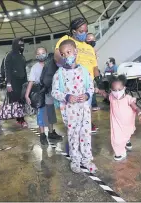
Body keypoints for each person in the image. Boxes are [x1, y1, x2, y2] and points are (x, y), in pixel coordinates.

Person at [52, 39, 96, 174]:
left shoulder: (84, 71)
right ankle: (75, 160)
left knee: (85, 134)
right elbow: (55, 92)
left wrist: (88, 95)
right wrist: (66, 97)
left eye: (68, 52)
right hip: (70, 111)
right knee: (73, 135)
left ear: (75, 52)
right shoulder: (59, 74)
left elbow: (91, 87)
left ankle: (87, 159)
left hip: (84, 109)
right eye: (63, 54)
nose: (66, 56)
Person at [54, 17, 103, 133]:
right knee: (72, 111)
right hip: (72, 82)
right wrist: (68, 67)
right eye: (81, 31)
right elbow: (57, 56)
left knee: (86, 108)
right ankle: (74, 132)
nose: (84, 34)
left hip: (87, 83)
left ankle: (86, 127)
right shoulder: (66, 39)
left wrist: (98, 81)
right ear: (74, 31)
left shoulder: (89, 47)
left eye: (86, 31)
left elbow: (94, 66)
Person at [99, 75, 141, 161]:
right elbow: (106, 95)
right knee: (116, 138)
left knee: (126, 133)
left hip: (127, 122)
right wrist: (99, 91)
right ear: (111, 90)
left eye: (119, 90)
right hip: (116, 123)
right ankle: (120, 152)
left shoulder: (128, 98)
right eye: (114, 90)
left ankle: (127, 140)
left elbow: (135, 107)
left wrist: (140, 114)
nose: (117, 92)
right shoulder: (112, 97)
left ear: (124, 88)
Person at [25, 47, 62, 145]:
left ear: (46, 53)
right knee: (41, 114)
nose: (41, 55)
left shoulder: (51, 65)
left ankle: (51, 132)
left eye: (43, 53)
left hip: (50, 93)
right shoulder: (34, 67)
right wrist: (27, 95)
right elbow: (31, 81)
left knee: (50, 113)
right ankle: (42, 135)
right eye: (38, 53)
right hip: (40, 94)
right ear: (36, 55)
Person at [5, 38, 27, 127]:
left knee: (22, 100)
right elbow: (7, 70)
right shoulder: (10, 55)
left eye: (23, 43)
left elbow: (24, 69)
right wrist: (9, 83)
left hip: (22, 81)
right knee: (17, 101)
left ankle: (20, 117)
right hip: (14, 82)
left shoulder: (22, 55)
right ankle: (21, 119)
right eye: (19, 43)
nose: (22, 45)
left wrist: (26, 82)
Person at [86, 33, 100, 111]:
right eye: (89, 40)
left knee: (93, 91)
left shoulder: (94, 51)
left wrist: (97, 78)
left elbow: (95, 65)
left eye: (93, 40)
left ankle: (93, 105)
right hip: (83, 76)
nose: (91, 41)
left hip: (92, 75)